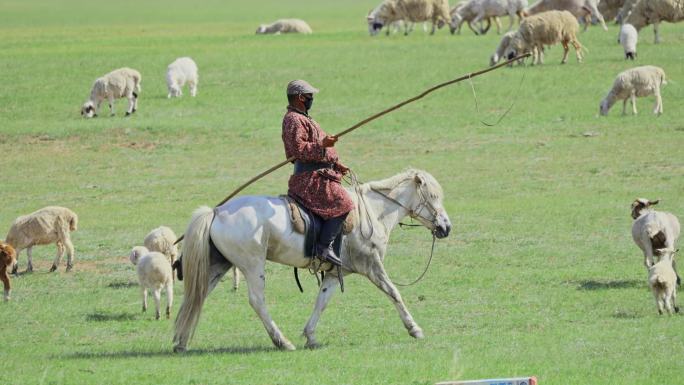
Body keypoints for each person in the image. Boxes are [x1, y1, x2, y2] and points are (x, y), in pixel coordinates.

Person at [281, 79, 354, 267]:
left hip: (320, 175)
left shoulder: (305, 118)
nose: (312, 99)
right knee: (344, 202)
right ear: (300, 97)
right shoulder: (293, 120)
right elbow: (299, 151)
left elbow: (323, 150)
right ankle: (323, 247)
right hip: (309, 180)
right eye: (309, 96)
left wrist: (337, 165)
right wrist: (322, 145)